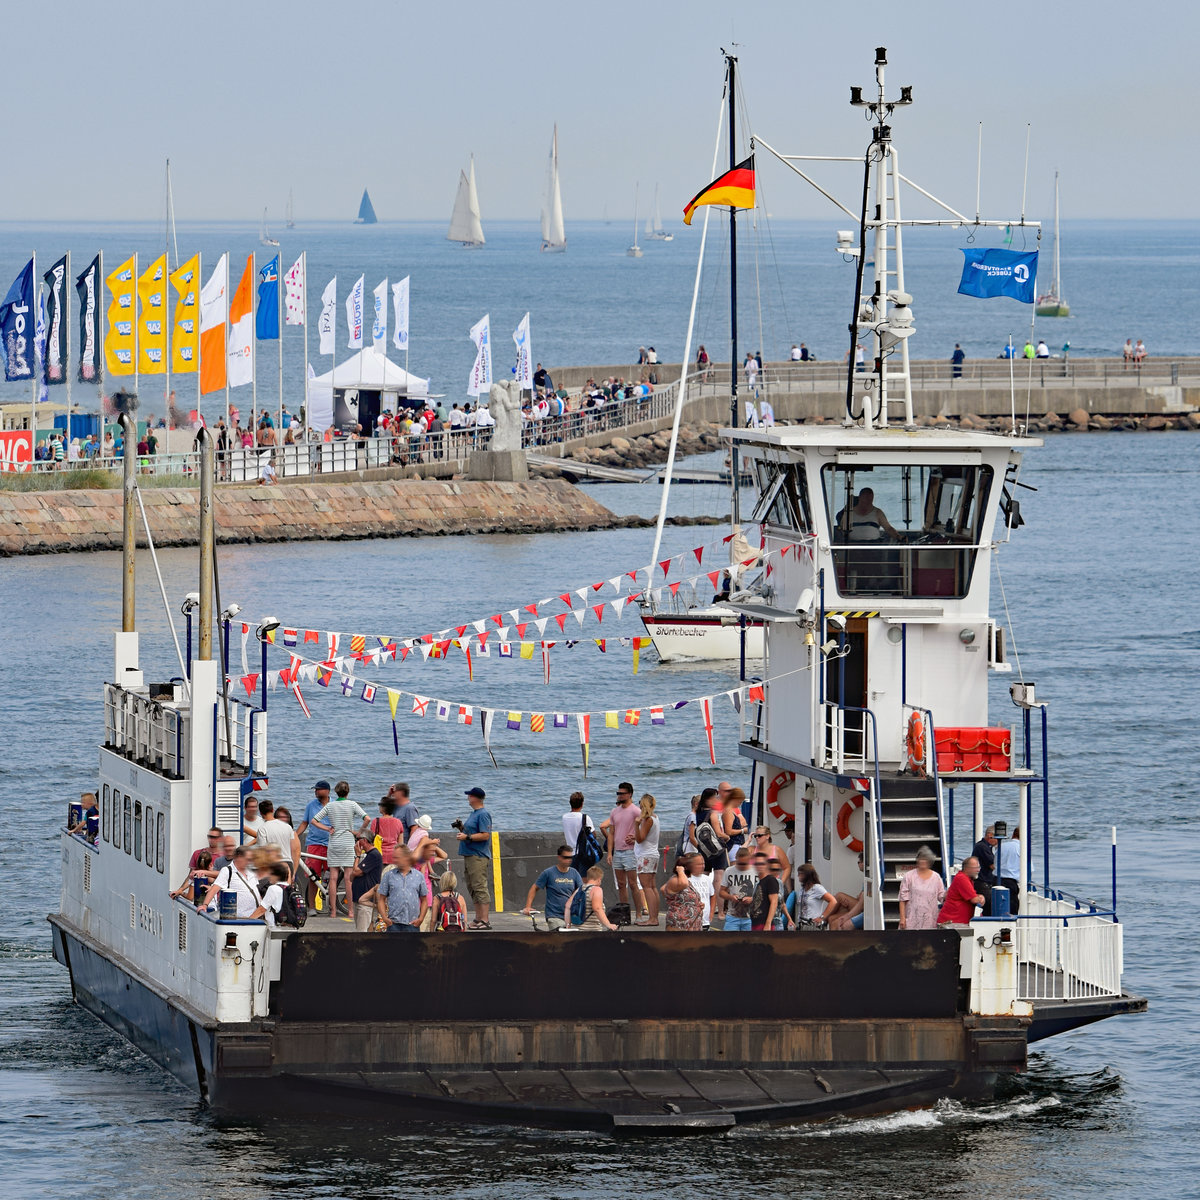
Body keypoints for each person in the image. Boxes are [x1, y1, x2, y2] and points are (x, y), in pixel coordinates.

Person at [309, 781, 369, 924]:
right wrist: (359, 832)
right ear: (347, 792)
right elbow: (367, 818)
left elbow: (314, 821)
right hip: (348, 842)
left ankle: (333, 911)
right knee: (348, 878)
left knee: (333, 877)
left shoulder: (331, 805)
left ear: (335, 792)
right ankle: (350, 911)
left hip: (334, 842)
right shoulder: (352, 805)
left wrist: (327, 829)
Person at [601, 782, 641, 913]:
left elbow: (646, 829)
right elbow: (611, 833)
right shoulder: (614, 812)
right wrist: (610, 853)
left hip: (630, 851)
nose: (619, 796)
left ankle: (639, 913)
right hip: (618, 852)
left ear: (629, 794)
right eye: (618, 793)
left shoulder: (636, 811)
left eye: (622, 794)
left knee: (634, 884)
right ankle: (625, 914)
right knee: (621, 884)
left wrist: (636, 838)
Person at [521, 846, 584, 931]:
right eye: (566, 857)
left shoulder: (574, 873)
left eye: (571, 857)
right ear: (559, 857)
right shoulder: (549, 873)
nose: (569, 860)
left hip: (571, 915)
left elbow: (582, 890)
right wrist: (528, 907)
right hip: (554, 915)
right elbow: (534, 888)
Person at [456, 787, 493, 929]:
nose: (468, 798)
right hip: (469, 854)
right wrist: (462, 828)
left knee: (480, 886)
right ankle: (478, 918)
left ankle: (485, 919)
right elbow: (471, 832)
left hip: (478, 855)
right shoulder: (474, 814)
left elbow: (485, 835)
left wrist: (467, 837)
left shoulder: (483, 814)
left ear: (476, 798)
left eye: (470, 796)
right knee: (472, 887)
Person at [375, 846, 429, 933]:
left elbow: (424, 900)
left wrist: (421, 919)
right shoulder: (389, 876)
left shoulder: (419, 876)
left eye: (397, 858)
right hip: (393, 925)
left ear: (406, 857)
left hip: (412, 925)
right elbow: (381, 899)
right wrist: (385, 918)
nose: (394, 860)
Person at [296, 780, 332, 909]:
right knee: (313, 877)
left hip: (331, 844)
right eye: (315, 789)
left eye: (318, 789)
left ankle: (331, 905)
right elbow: (304, 823)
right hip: (314, 843)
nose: (316, 792)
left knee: (332, 875)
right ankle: (312, 906)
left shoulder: (334, 804)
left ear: (327, 791)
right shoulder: (311, 805)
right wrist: (295, 836)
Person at [199, 845, 259, 917]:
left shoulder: (251, 873)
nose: (249, 862)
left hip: (254, 917)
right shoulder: (227, 871)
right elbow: (214, 889)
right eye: (248, 859)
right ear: (239, 857)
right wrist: (205, 905)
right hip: (238, 919)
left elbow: (256, 892)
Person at [898, 846, 946, 929]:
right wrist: (902, 918)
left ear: (930, 861)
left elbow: (941, 896)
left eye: (925, 859)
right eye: (921, 859)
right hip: (912, 918)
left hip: (930, 919)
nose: (923, 861)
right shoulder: (909, 876)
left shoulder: (936, 877)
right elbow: (902, 899)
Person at [254, 799, 299, 876]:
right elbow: (293, 849)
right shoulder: (287, 827)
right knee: (286, 888)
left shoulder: (262, 829)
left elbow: (262, 851)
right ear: (272, 810)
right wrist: (294, 872)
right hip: (288, 863)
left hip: (273, 864)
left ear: (260, 813)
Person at [634, 794, 660, 926]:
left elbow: (640, 838)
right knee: (652, 886)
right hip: (653, 854)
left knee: (646, 887)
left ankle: (652, 918)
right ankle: (654, 917)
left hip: (645, 856)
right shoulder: (655, 818)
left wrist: (636, 825)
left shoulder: (647, 819)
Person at [348, 832, 383, 931]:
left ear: (364, 840)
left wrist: (357, 856)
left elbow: (356, 871)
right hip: (358, 897)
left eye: (358, 839)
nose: (356, 842)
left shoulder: (374, 855)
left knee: (362, 932)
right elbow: (352, 876)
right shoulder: (366, 855)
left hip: (365, 899)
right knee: (359, 928)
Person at [662, 854, 707, 931]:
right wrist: (680, 871)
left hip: (691, 925)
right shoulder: (676, 880)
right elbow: (683, 884)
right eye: (698, 864)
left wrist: (696, 904)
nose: (701, 867)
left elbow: (663, 889)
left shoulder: (687, 881)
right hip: (679, 925)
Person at [937, 857, 987, 925]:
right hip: (952, 922)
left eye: (979, 867)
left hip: (957, 922)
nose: (978, 870)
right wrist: (980, 897)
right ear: (967, 868)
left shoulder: (966, 878)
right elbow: (974, 900)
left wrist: (980, 896)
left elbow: (971, 895)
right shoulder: (962, 878)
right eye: (975, 868)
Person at [718, 846, 757, 932]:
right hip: (733, 916)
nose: (741, 866)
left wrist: (752, 899)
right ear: (736, 859)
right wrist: (731, 897)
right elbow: (721, 892)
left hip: (751, 916)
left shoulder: (756, 871)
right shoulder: (729, 871)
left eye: (744, 864)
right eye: (739, 863)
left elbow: (764, 894)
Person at [790, 863, 836, 927]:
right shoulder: (802, 890)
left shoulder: (816, 888)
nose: (798, 876)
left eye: (800, 873)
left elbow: (833, 901)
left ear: (807, 875)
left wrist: (822, 917)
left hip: (813, 925)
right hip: (802, 925)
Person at [576, 865, 619, 931]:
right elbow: (597, 908)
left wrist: (568, 925)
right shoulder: (596, 890)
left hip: (576, 929)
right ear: (599, 879)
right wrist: (608, 925)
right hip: (592, 930)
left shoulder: (579, 889)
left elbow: (567, 906)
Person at [251, 862, 292, 928]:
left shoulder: (273, 888)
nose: (269, 876)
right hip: (289, 928)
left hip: (274, 928)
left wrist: (247, 921)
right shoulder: (290, 888)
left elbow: (262, 910)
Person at [748, 851, 780, 931]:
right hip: (755, 922)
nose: (759, 866)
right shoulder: (758, 883)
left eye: (762, 863)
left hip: (764, 924)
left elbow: (774, 902)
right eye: (757, 864)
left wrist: (768, 924)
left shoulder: (770, 880)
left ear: (767, 865)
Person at [971, 825, 999, 914]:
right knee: (989, 906)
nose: (998, 841)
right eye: (997, 838)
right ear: (990, 836)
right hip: (982, 882)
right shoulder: (982, 847)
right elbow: (992, 865)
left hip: (983, 881)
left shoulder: (985, 847)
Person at [370, 796, 406, 863]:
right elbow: (401, 844)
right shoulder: (398, 822)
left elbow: (371, 841)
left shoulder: (376, 821)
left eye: (380, 805)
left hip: (379, 855)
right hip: (394, 856)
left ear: (383, 808)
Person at [998, 827, 1021, 915]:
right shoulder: (1021, 848)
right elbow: (1029, 869)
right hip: (1011, 882)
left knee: (998, 906)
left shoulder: (1002, 846)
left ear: (1013, 835)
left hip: (997, 879)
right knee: (1012, 909)